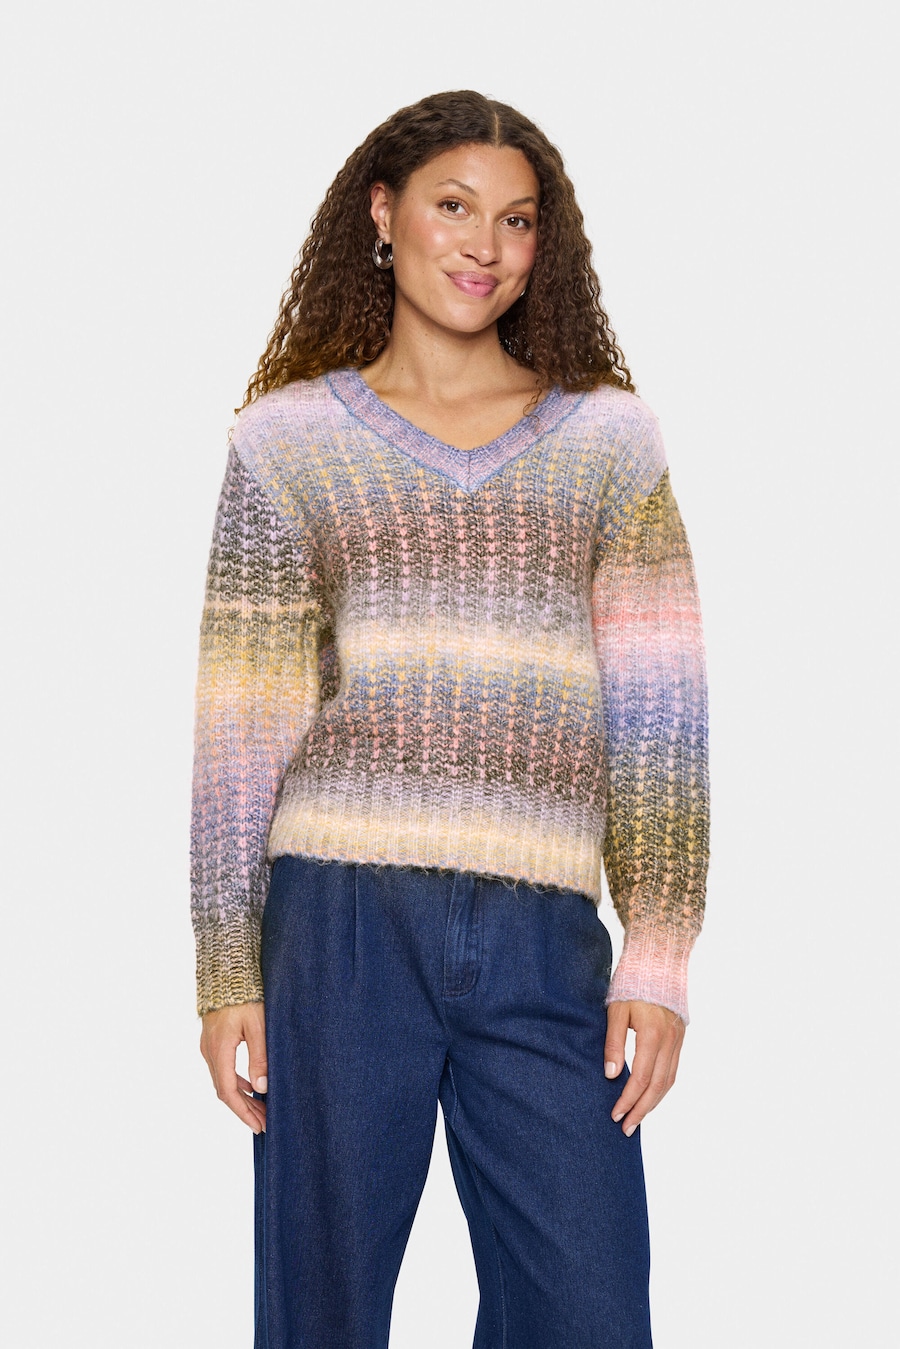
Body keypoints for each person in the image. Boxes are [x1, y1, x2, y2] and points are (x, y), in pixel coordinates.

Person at [191, 89, 709, 1348]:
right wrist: (225, 965)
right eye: (455, 207)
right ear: (384, 214)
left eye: (518, 220)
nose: (485, 245)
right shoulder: (287, 443)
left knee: (588, 1309)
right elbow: (241, 726)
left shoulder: (609, 442)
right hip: (338, 924)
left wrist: (658, 948)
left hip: (542, 937)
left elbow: (662, 713)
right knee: (320, 1310)